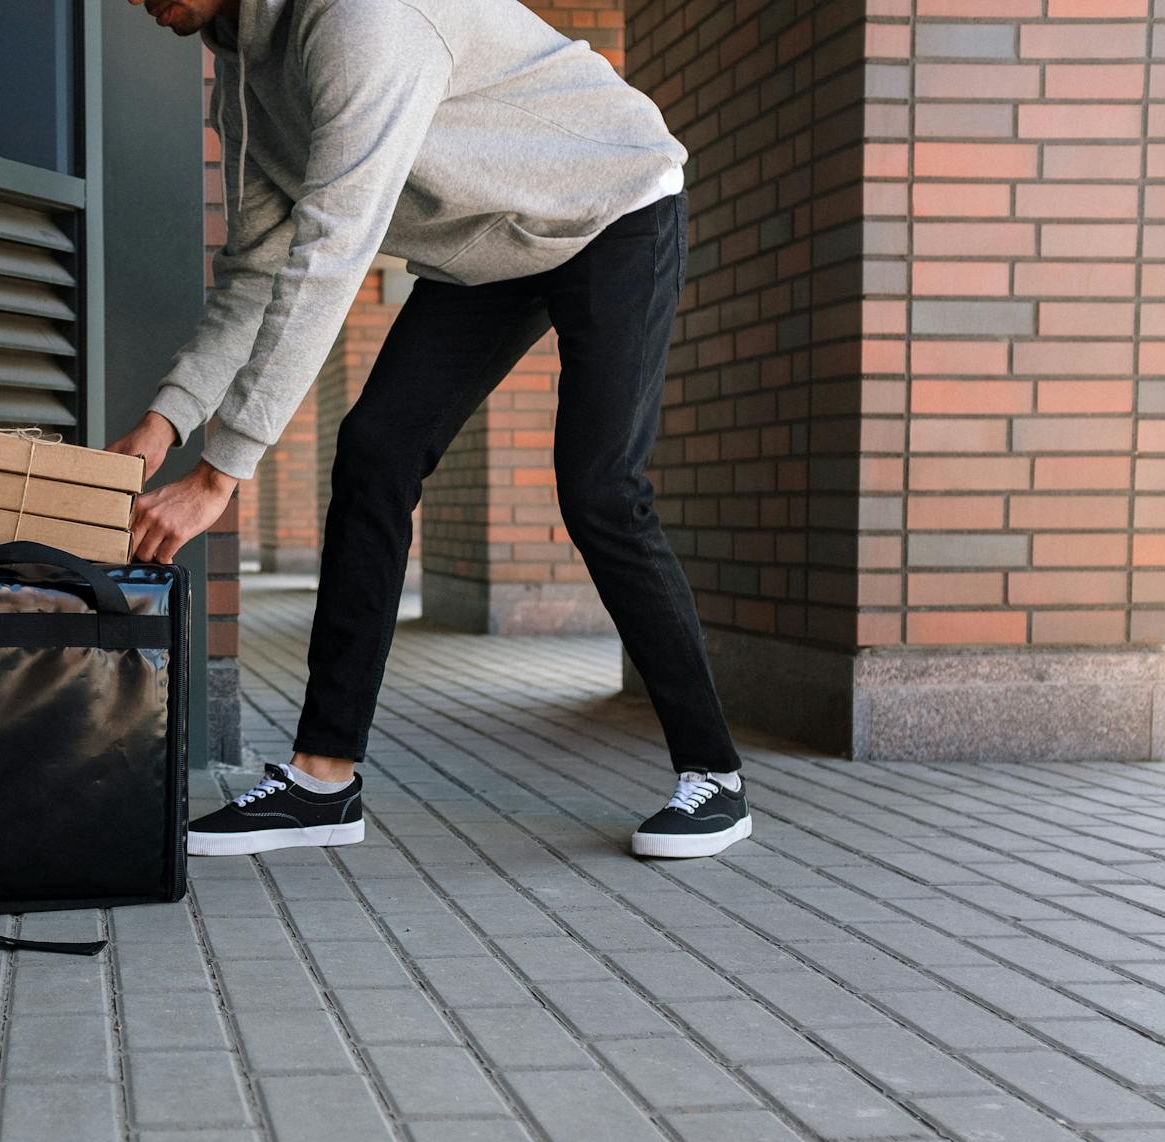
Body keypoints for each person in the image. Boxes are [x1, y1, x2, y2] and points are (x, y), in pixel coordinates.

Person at [109, 0, 751, 862]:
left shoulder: (364, 22)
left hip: (610, 205)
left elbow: (332, 252)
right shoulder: (248, 70)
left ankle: (715, 774)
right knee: (376, 450)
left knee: (599, 487)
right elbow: (259, 267)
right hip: (488, 244)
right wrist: (162, 424)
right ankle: (322, 779)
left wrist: (220, 474)